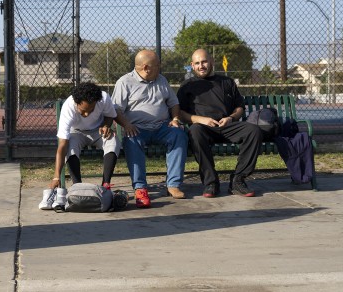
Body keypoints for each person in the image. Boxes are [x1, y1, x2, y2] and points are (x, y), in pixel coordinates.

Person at [177, 48, 262, 198]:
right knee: (195, 131)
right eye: (197, 63)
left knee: (253, 131)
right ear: (192, 65)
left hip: (227, 126)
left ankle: (238, 180)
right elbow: (180, 114)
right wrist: (201, 119)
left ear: (211, 62)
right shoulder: (187, 85)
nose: (201, 66)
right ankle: (211, 182)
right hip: (203, 128)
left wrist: (231, 118)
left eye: (204, 61)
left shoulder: (227, 82)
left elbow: (239, 107)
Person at [111, 49, 188, 208]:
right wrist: (126, 124)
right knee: (131, 140)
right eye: (158, 65)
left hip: (162, 127)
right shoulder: (124, 82)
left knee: (179, 135)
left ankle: (173, 185)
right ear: (146, 67)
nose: (160, 67)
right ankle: (140, 188)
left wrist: (174, 119)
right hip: (137, 129)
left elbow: (173, 103)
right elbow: (116, 110)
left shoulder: (162, 80)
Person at [50, 81, 123, 189]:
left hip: (98, 131)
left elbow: (110, 115)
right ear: (76, 103)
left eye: (91, 110)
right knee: (70, 147)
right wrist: (56, 177)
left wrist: (106, 125)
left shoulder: (103, 98)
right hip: (76, 132)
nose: (87, 114)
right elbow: (62, 145)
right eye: (83, 110)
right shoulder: (68, 107)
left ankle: (105, 184)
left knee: (113, 140)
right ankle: (77, 186)